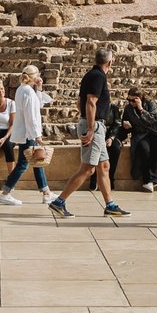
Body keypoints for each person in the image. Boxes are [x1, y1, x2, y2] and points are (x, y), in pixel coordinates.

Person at [50, 49, 130, 219]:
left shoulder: (92, 75)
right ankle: (59, 201)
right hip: (94, 126)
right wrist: (91, 127)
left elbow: (80, 102)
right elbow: (90, 102)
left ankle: (110, 205)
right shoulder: (98, 76)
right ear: (110, 63)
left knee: (104, 166)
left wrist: (87, 121)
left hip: (94, 125)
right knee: (88, 169)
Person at [0, 64, 53, 205]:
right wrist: (36, 135)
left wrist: (39, 89)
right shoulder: (27, 91)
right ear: (34, 76)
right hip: (28, 133)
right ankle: (6, 193)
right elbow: (31, 115)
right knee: (24, 163)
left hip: (27, 132)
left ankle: (46, 192)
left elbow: (37, 105)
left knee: (36, 160)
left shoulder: (24, 89)